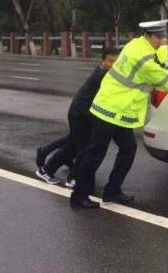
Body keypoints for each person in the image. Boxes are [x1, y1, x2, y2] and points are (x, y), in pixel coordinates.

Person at [70, 20, 168, 209]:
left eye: (163, 37)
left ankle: (112, 191)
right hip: (108, 108)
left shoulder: (138, 44)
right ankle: (79, 195)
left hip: (118, 110)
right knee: (95, 153)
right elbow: (165, 80)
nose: (161, 41)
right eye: (158, 37)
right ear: (148, 35)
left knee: (128, 149)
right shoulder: (143, 59)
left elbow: (162, 54)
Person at [36, 47, 120, 186]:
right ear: (103, 60)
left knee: (72, 145)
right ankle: (74, 179)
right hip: (80, 114)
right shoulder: (102, 75)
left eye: (116, 62)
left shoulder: (104, 71)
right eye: (110, 61)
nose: (113, 65)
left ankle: (47, 169)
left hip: (84, 114)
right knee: (83, 148)